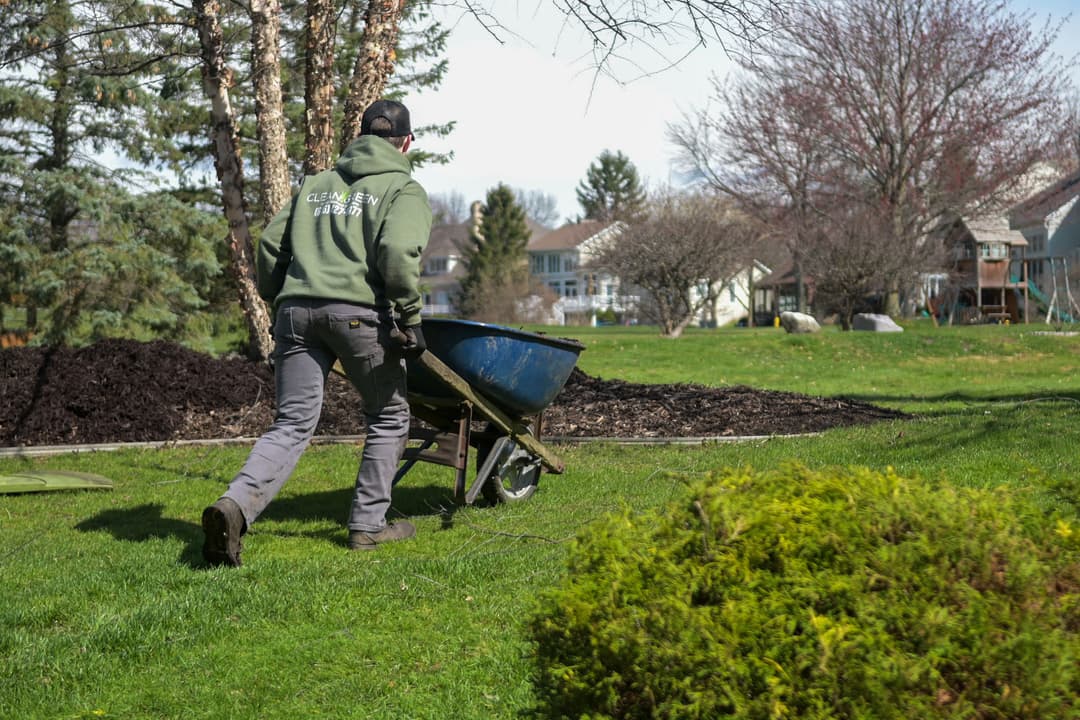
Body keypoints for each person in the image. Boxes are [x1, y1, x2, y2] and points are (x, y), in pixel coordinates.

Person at [201, 99, 432, 567]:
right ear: (405, 143)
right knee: (388, 416)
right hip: (360, 316)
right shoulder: (403, 189)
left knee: (291, 422)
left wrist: (279, 297)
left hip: (295, 314)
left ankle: (235, 506)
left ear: (361, 136)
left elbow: (270, 243)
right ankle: (368, 527)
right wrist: (409, 316)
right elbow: (397, 250)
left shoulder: (317, 183)